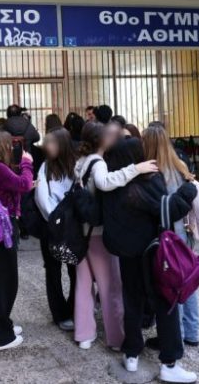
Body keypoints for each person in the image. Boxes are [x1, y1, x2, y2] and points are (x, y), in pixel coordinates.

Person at [103, 138, 198, 382]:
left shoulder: (111, 185)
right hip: (152, 252)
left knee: (132, 301)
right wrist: (189, 190)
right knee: (165, 303)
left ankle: (131, 354)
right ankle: (169, 363)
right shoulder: (148, 181)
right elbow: (169, 210)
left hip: (126, 253)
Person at [73, 122, 157, 350]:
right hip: (97, 233)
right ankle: (117, 338)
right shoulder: (98, 162)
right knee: (110, 286)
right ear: (100, 140)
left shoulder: (81, 161)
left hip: (81, 232)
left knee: (83, 285)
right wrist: (135, 169)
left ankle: (84, 334)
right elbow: (104, 183)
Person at [143, 123, 199, 349]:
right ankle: (192, 332)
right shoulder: (180, 165)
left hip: (166, 237)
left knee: (169, 285)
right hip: (184, 233)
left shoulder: (152, 171)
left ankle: (176, 334)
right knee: (188, 281)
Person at [0, 130, 34, 350]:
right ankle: (0, 336)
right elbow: (24, 185)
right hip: (2, 228)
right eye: (9, 144)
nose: (12, 148)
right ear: (1, 146)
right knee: (4, 280)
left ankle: (2, 324)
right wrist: (27, 163)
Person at [34, 128, 77, 332]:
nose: (47, 146)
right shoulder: (45, 166)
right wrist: (56, 219)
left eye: (51, 142)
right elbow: (41, 198)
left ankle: (74, 309)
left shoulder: (77, 165)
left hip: (69, 226)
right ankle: (60, 313)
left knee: (75, 270)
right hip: (53, 226)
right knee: (53, 270)